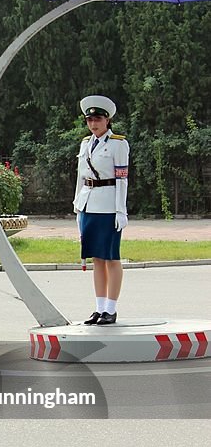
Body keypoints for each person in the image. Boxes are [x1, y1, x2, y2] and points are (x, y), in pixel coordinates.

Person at [73, 95, 130, 325]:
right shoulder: (85, 144)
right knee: (97, 258)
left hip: (108, 206)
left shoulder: (118, 143)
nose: (93, 124)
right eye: (89, 119)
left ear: (107, 120)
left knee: (111, 257)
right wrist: (77, 206)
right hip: (88, 203)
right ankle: (99, 308)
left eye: (97, 119)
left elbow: (122, 180)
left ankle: (111, 309)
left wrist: (121, 210)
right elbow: (81, 177)